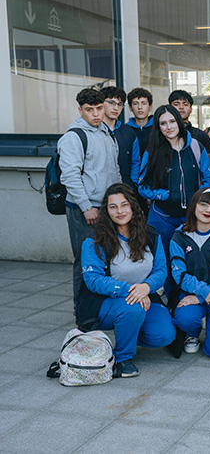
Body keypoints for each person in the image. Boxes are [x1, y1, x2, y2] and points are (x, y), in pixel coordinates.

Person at [77, 183, 176, 377]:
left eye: (124, 205)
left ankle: (127, 332)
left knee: (165, 335)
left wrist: (146, 287)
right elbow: (93, 279)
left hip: (144, 294)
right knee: (133, 307)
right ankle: (122, 359)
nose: (120, 211)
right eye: (113, 207)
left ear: (133, 206)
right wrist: (133, 291)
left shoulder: (150, 234)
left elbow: (161, 271)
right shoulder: (95, 239)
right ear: (106, 210)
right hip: (104, 301)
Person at [57, 88, 121, 305]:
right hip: (83, 209)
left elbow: (115, 170)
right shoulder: (73, 137)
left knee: (108, 258)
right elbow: (70, 176)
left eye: (99, 108)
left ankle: (103, 308)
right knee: (86, 260)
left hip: (107, 207)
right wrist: (86, 206)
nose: (95, 114)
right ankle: (84, 313)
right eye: (89, 109)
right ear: (80, 111)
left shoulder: (107, 133)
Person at [138, 104, 210, 260]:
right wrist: (164, 195)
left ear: (179, 122)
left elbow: (209, 179)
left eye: (172, 121)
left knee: (191, 260)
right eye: (163, 123)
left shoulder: (195, 146)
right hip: (162, 217)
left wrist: (198, 197)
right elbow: (142, 186)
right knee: (164, 262)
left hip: (191, 216)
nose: (169, 127)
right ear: (158, 127)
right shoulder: (152, 151)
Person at [169, 188, 210, 359]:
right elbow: (179, 274)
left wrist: (202, 297)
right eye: (203, 204)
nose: (208, 210)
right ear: (194, 205)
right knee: (186, 318)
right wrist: (202, 291)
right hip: (190, 294)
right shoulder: (179, 236)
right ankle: (192, 332)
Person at [101, 86, 145, 210]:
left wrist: (132, 184)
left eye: (119, 104)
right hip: (98, 193)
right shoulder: (94, 131)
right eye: (111, 103)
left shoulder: (128, 132)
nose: (116, 108)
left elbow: (135, 161)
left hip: (125, 191)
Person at [169, 89, 210, 154]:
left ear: (191, 109)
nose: (181, 107)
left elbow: (207, 159)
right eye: (176, 104)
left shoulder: (201, 135)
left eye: (185, 104)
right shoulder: (162, 133)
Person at [126, 87, 154, 156]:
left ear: (150, 106)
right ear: (130, 107)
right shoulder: (125, 130)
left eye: (144, 103)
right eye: (135, 104)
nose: (140, 107)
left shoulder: (158, 128)